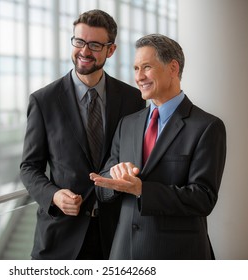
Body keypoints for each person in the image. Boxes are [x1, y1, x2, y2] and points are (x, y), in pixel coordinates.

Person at [19, 9, 146, 260]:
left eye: (95, 45)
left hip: (117, 235)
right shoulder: (43, 101)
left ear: (111, 50)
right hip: (60, 238)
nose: (84, 51)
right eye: (79, 41)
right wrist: (53, 195)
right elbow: (29, 167)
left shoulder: (132, 99)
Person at [90, 34, 226, 259]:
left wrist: (141, 189)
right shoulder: (128, 124)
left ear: (173, 68)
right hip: (125, 253)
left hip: (178, 254)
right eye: (135, 68)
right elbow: (104, 185)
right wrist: (113, 181)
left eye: (146, 67)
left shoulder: (207, 127)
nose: (139, 77)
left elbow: (203, 199)